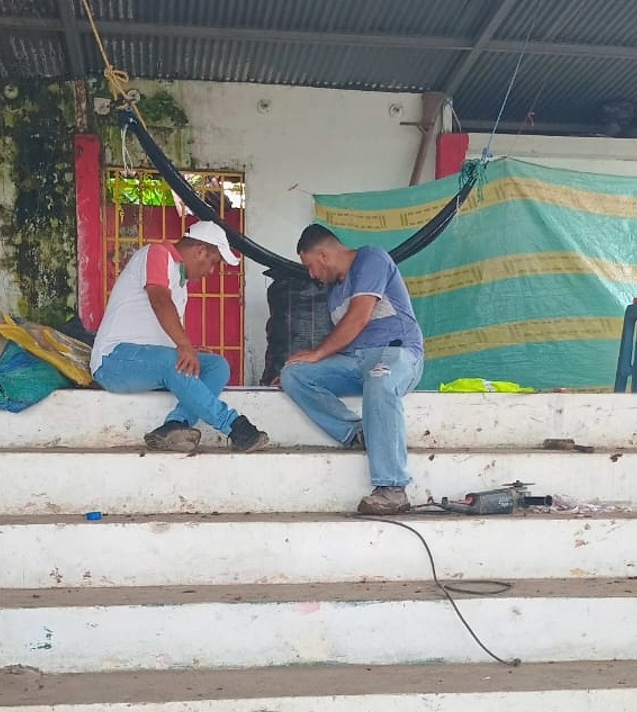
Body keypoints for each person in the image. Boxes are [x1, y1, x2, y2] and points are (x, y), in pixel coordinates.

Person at [280, 223, 423, 515]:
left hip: (397, 353)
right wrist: (308, 361)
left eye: (310, 266)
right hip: (355, 360)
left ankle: (393, 489)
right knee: (293, 374)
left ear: (324, 255)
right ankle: (359, 433)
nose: (311, 275)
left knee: (380, 379)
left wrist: (319, 353)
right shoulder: (334, 290)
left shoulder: (372, 258)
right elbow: (345, 336)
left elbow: (358, 318)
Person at [91, 220, 269, 453]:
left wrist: (187, 347)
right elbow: (159, 300)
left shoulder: (179, 280)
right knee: (175, 361)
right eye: (213, 262)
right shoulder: (158, 254)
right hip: (113, 361)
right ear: (200, 251)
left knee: (217, 366)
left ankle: (175, 425)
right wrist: (184, 345)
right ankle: (236, 428)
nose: (211, 271)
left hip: (148, 363)